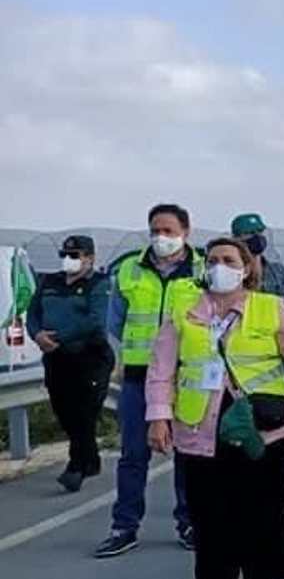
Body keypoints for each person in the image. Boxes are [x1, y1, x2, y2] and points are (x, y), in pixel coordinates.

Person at [146, 236, 284, 579]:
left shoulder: (269, 307)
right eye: (213, 260)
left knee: (260, 506)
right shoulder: (185, 311)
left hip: (262, 426)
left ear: (246, 268)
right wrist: (158, 417)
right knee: (209, 508)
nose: (219, 267)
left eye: (229, 260)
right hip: (202, 424)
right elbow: (161, 368)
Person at [98, 203, 204, 558]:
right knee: (132, 455)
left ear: (185, 232)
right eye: (155, 231)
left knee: (188, 454)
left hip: (188, 375)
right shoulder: (129, 269)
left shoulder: (203, 269)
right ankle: (124, 526)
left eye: (169, 231)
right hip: (139, 376)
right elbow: (116, 321)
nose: (161, 237)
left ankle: (189, 521)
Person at [232, 213, 284, 506]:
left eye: (257, 233)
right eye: (246, 236)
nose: (254, 240)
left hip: (280, 365)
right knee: (241, 427)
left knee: (281, 427)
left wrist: (281, 306)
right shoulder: (230, 273)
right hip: (241, 367)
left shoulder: (278, 273)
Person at [26, 235, 113, 492]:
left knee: (84, 414)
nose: (69, 260)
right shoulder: (50, 281)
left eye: (75, 256)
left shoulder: (98, 283)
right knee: (64, 412)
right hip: (56, 358)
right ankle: (91, 459)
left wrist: (60, 338)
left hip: (89, 357)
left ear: (90, 258)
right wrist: (37, 335)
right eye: (65, 254)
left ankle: (76, 467)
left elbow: (96, 320)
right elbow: (34, 312)